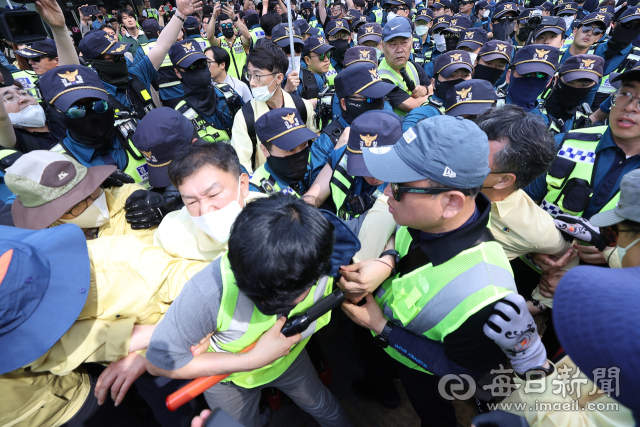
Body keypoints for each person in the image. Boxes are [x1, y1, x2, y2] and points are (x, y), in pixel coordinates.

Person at [339, 115, 517, 426]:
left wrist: (382, 327)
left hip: (426, 370)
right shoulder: (424, 218)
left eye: (398, 186)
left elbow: (466, 373)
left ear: (451, 202)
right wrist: (388, 259)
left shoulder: (487, 296)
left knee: (435, 415)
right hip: (399, 348)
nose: (386, 193)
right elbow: (401, 237)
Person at [146, 195, 357, 427]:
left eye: (279, 299)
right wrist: (251, 360)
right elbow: (158, 363)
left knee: (322, 406)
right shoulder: (208, 292)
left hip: (289, 359)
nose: (266, 305)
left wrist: (385, 261)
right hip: (228, 381)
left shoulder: (331, 249)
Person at [0, 224, 207, 427]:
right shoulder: (24, 332)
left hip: (185, 353)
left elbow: (216, 297)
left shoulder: (127, 264)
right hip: (128, 372)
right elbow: (53, 352)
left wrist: (144, 354)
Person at [525, 63, 640, 271]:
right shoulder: (563, 143)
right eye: (625, 93)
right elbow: (521, 202)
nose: (630, 107)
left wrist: (619, 255)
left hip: (601, 288)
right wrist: (534, 247)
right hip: (528, 266)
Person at [5, 150, 160, 242]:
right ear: (52, 216)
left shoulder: (132, 198)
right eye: (76, 204)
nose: (93, 203)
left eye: (91, 189)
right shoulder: (46, 245)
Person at [39, 65, 150, 185]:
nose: (91, 115)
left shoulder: (137, 130)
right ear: (56, 113)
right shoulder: (54, 165)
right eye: (75, 110)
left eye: (99, 105)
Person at [229, 43, 316, 173]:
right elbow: (242, 167)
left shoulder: (302, 106)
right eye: (249, 75)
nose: (251, 82)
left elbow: (314, 148)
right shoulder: (245, 118)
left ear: (279, 78)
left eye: (257, 76)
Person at [309, 61, 395, 184]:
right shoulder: (328, 141)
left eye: (380, 97)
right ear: (344, 104)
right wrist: (339, 154)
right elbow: (315, 188)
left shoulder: (389, 126)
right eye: (370, 99)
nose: (378, 104)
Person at [305, 110, 400, 220]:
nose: (371, 175)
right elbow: (313, 197)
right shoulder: (344, 157)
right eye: (362, 165)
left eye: (379, 165)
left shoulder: (409, 175)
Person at [169, 40, 241, 143]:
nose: (199, 69)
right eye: (191, 67)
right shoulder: (181, 115)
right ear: (178, 72)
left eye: (202, 64)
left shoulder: (227, 92)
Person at [250, 107, 319, 196]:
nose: (300, 153)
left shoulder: (312, 163)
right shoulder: (256, 194)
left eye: (304, 144)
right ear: (265, 150)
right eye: (290, 149)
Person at [402, 50, 474, 130]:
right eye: (452, 75)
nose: (459, 80)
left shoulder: (478, 103)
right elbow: (409, 128)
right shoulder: (426, 113)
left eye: (465, 75)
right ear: (433, 83)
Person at [0, 71, 66, 153]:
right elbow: (1, 119)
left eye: (23, 93)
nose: (23, 99)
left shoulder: (58, 116)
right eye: (10, 98)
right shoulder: (14, 140)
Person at [378, 17, 432, 116]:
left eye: (404, 43)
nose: (399, 50)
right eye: (393, 44)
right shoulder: (381, 79)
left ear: (411, 43)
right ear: (383, 47)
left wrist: (426, 90)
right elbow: (412, 105)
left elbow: (431, 87)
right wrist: (431, 96)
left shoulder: (414, 66)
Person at [540, 54, 604, 136]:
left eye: (584, 85)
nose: (576, 88)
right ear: (556, 79)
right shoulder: (534, 110)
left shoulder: (582, 117)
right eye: (571, 83)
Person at [135, 18, 187, 109]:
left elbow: (136, 74)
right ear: (159, 32)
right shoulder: (172, 45)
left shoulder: (142, 50)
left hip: (164, 94)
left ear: (145, 34)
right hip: (183, 89)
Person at [502, 45, 559, 124]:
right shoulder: (487, 109)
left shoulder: (547, 124)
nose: (532, 81)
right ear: (508, 76)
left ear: (549, 82)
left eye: (541, 75)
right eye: (526, 74)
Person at [207, 3, 251, 81]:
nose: (227, 27)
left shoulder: (241, 40)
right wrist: (213, 16)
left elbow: (248, 36)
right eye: (223, 26)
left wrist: (234, 17)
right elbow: (210, 37)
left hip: (245, 80)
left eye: (229, 25)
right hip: (229, 82)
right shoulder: (219, 42)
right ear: (220, 29)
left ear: (234, 26)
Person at [298, 35, 335, 102]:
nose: (326, 59)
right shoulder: (299, 83)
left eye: (329, 54)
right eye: (321, 56)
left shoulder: (323, 74)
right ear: (307, 60)